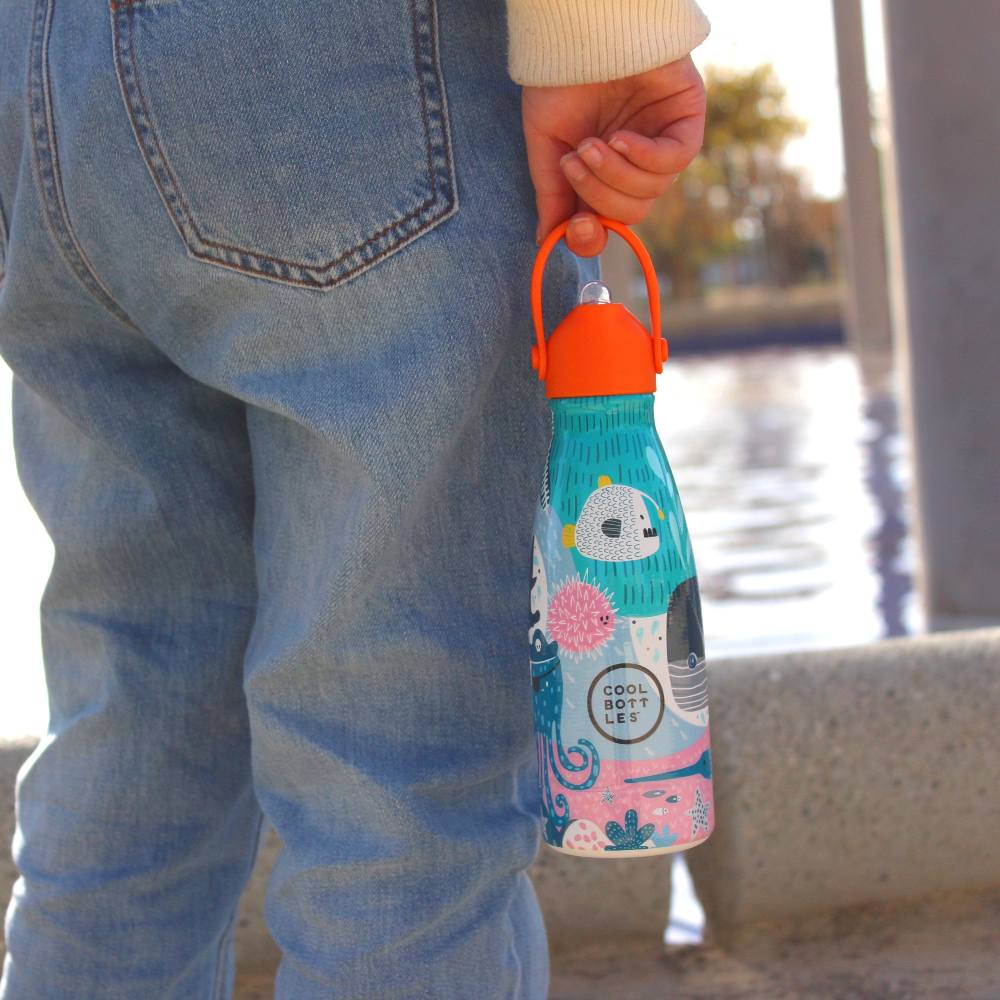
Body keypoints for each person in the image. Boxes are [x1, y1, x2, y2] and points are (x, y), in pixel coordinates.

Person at [0, 0, 708, 995]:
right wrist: (602, 31)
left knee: (129, 736)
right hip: (336, 61)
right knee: (397, 792)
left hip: (34, 82)